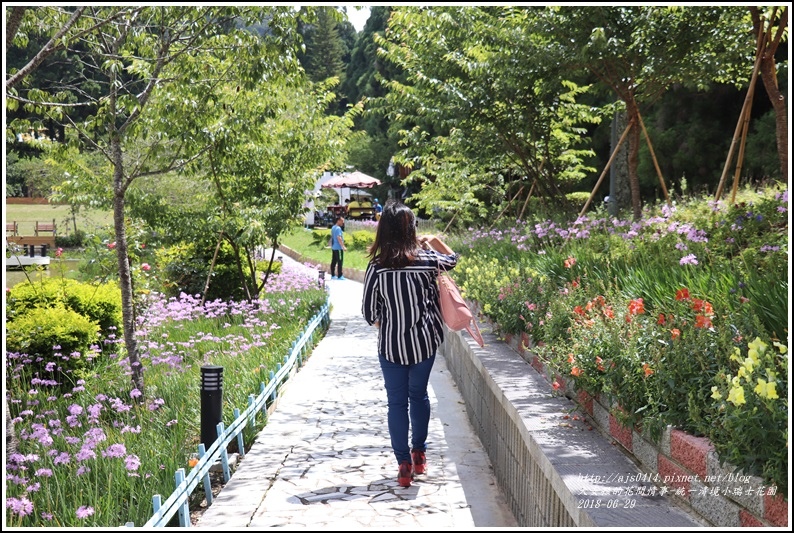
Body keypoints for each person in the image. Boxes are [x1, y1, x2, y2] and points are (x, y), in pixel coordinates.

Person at [361, 199, 458, 487]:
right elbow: (453, 259)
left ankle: (403, 464)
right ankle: (419, 455)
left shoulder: (377, 268)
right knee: (419, 396)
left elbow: (369, 313)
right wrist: (435, 240)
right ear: (412, 229)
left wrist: (387, 323)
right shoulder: (429, 262)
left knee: (396, 403)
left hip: (391, 346)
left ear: (384, 231)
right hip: (424, 344)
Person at [330, 216, 347, 280]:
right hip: (338, 248)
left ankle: (333, 275)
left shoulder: (333, 227)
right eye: (342, 221)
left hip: (334, 247)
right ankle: (340, 275)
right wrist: (343, 246)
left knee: (334, 261)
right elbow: (339, 238)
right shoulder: (338, 228)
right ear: (338, 221)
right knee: (340, 261)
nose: (343, 222)